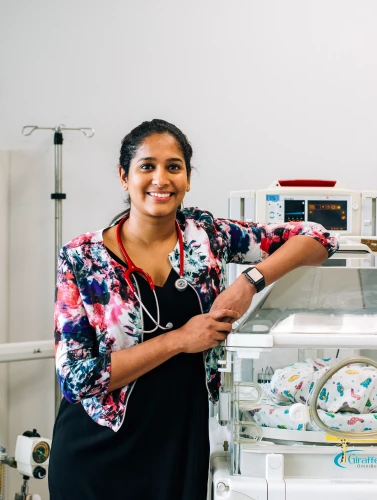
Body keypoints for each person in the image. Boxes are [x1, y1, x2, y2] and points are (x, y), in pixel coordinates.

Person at [48, 119, 338, 499]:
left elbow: (319, 238)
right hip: (96, 454)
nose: (161, 179)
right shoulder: (83, 258)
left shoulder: (208, 236)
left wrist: (248, 283)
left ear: (187, 179)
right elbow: (75, 380)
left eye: (173, 166)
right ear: (124, 176)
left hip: (178, 445)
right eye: (147, 166)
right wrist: (180, 340)